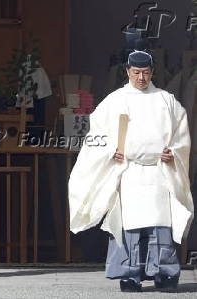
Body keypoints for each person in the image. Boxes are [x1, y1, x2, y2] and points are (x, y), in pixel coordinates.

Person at [68, 50, 194, 292]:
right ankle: (130, 275)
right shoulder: (115, 101)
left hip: (159, 172)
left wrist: (174, 152)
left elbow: (181, 135)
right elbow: (97, 136)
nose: (141, 78)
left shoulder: (166, 100)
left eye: (145, 73)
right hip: (129, 172)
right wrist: (110, 151)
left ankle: (165, 274)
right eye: (136, 73)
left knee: (161, 224)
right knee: (129, 225)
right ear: (127, 72)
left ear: (152, 72)